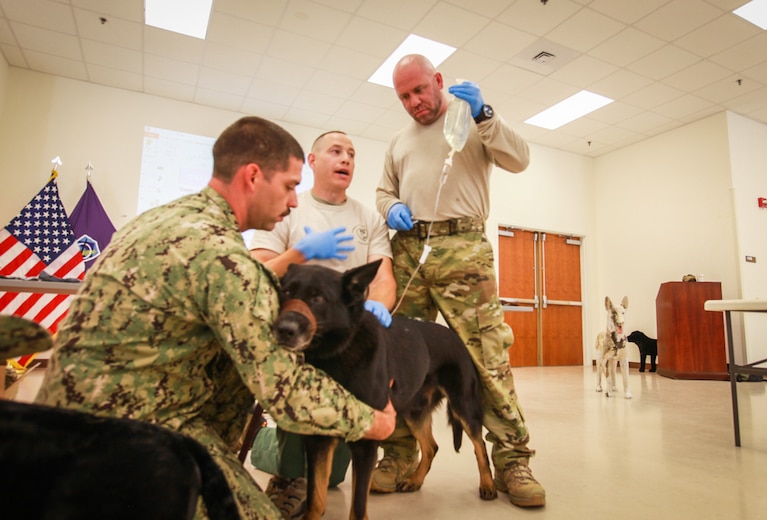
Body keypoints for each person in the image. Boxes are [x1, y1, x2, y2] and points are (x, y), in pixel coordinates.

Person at [35, 116, 396, 520]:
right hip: (128, 440)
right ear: (253, 177)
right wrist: (372, 422)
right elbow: (286, 391)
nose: (294, 201)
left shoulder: (161, 218)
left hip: (58, 427)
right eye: (289, 186)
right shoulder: (226, 261)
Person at [374, 54, 546, 508]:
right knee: (397, 359)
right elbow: (383, 191)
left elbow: (520, 159)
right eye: (404, 96)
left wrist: (485, 114)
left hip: (463, 245)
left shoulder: (470, 120)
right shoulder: (398, 141)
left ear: (438, 80)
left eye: (419, 90)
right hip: (410, 248)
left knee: (488, 358)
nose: (414, 102)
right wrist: (390, 207)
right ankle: (397, 456)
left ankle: (512, 461)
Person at [250, 130, 395, 519]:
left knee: (335, 467)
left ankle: (313, 470)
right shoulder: (288, 208)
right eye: (335, 151)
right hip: (294, 334)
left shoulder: (368, 218)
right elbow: (256, 272)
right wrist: (300, 253)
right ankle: (288, 477)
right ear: (313, 161)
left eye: (351, 153)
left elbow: (383, 279)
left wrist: (376, 309)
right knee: (299, 419)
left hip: (346, 337)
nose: (346, 158)